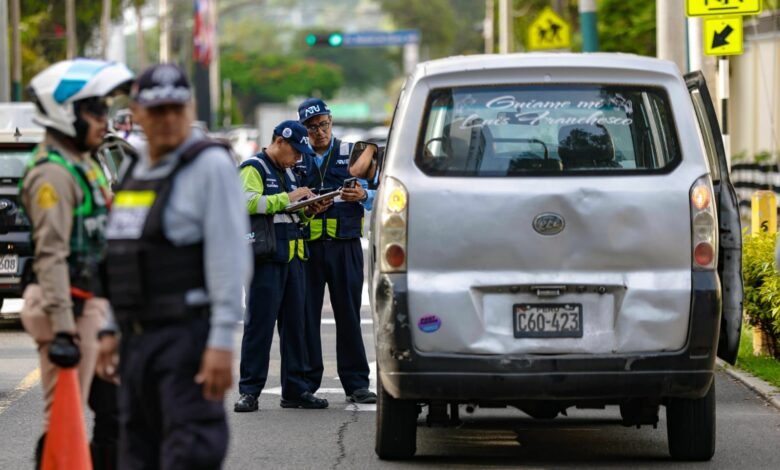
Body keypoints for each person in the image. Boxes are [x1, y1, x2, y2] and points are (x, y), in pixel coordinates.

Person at [96, 63, 251, 469]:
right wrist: (110, 328)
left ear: (190, 109)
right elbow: (124, 252)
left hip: (185, 338)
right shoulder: (136, 167)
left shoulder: (210, 165)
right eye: (157, 110)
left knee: (189, 454)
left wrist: (221, 341)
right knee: (136, 454)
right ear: (137, 113)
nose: (167, 119)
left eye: (176, 109)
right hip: (136, 340)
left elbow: (229, 257)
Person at [20, 58, 135, 469]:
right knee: (64, 418)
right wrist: (65, 331)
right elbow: (51, 254)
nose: (105, 120)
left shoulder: (85, 162)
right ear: (64, 113)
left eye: (105, 110)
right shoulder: (52, 173)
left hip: (93, 306)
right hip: (67, 308)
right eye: (96, 111)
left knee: (116, 411)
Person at [234, 121, 332, 412]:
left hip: (294, 256)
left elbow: (291, 215)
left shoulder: (289, 172)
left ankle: (295, 390)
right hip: (265, 259)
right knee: (260, 327)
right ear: (279, 141)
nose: (299, 157)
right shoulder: (254, 167)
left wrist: (310, 210)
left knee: (295, 328)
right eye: (296, 151)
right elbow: (247, 203)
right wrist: (289, 197)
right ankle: (249, 391)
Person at [296, 98, 377, 404]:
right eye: (312, 127)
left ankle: (356, 384)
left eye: (323, 124)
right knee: (306, 316)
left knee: (349, 316)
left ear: (330, 121)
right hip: (308, 248)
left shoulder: (354, 153)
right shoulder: (297, 157)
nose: (319, 132)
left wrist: (364, 194)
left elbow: (383, 190)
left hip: (345, 246)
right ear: (303, 130)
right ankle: (305, 383)